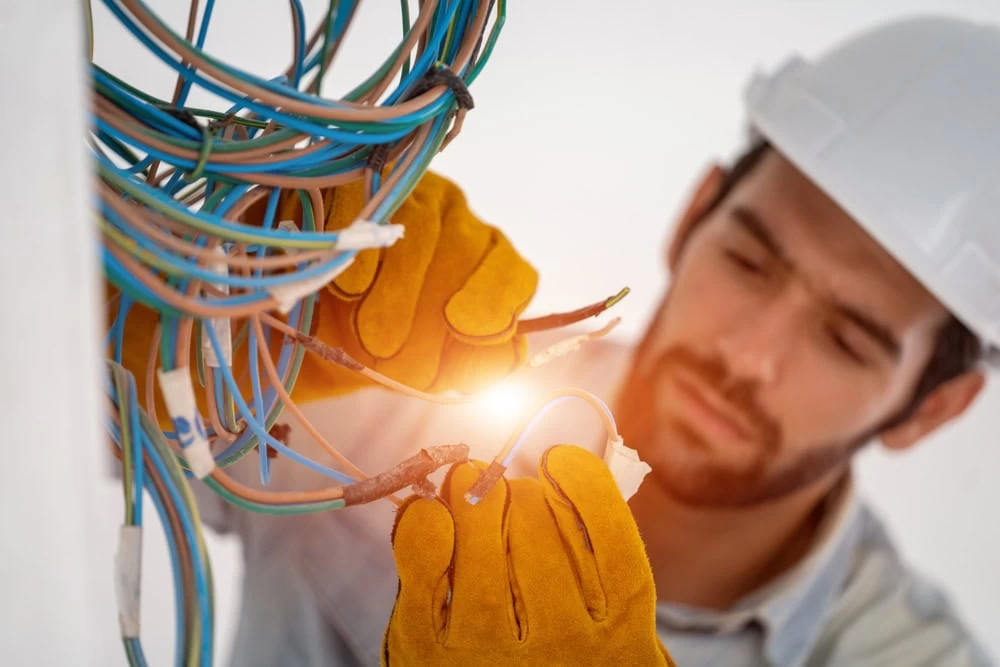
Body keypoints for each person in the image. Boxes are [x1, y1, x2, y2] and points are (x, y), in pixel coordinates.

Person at [116, 13, 999, 667]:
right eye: (750, 263)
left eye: (846, 340)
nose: (748, 354)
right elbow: (53, 387)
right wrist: (223, 303)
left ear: (936, 406)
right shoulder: (405, 376)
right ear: (695, 215)